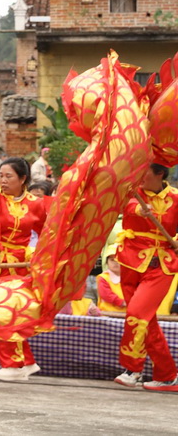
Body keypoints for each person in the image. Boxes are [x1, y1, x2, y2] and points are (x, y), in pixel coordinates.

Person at [0, 157, 48, 382]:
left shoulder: (35, 202)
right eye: (1, 176)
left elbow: (46, 230)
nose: (3, 181)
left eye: (9, 177)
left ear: (23, 179)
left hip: (18, 261)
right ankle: (21, 362)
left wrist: (47, 254)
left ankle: (17, 364)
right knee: (1, 308)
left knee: (11, 309)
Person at [113, 163, 178, 391]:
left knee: (137, 313)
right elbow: (127, 206)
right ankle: (168, 375)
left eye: (145, 171)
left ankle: (133, 369)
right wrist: (139, 210)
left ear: (159, 173)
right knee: (146, 321)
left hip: (161, 265)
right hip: (130, 261)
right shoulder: (132, 192)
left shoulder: (176, 198)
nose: (139, 175)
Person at [96, 245, 125, 314]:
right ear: (106, 262)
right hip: (107, 313)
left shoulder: (130, 278)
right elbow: (106, 294)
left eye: (118, 259)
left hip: (126, 313)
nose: (115, 262)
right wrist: (120, 302)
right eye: (112, 260)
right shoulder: (103, 277)